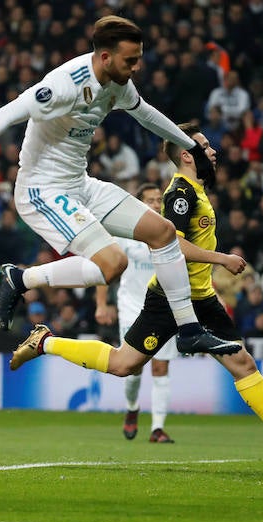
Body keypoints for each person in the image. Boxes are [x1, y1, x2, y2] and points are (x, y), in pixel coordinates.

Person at [0, 15, 238, 357]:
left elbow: (145, 114)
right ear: (105, 57)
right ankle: (21, 279)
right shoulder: (63, 85)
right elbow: (8, 112)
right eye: (131, 60)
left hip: (79, 184)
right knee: (113, 264)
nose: (136, 67)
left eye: (138, 59)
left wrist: (190, 146)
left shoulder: (119, 83)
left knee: (163, 232)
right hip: (42, 191)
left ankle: (188, 330)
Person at [9, 124, 263, 460]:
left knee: (242, 362)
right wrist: (221, 259)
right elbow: (169, 243)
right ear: (188, 155)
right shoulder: (180, 194)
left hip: (201, 298)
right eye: (205, 146)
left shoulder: (197, 191)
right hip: (168, 298)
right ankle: (44, 342)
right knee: (124, 365)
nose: (214, 151)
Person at [94, 184, 177, 443]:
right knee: (133, 367)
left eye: (158, 200)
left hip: (164, 307)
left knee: (161, 366)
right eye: (149, 200)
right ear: (138, 203)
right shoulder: (125, 233)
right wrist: (101, 304)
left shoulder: (169, 233)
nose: (155, 204)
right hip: (131, 307)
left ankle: (157, 429)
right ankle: (132, 408)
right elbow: (103, 267)